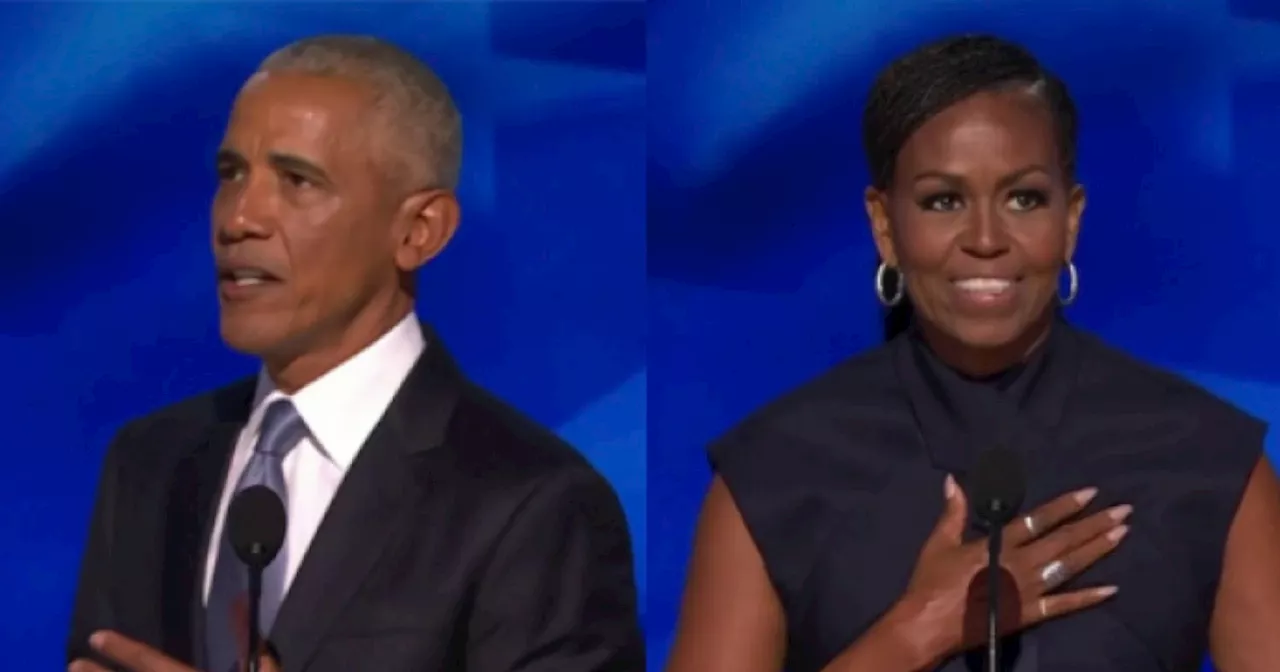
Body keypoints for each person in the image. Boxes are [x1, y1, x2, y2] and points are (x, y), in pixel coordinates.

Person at [665, 34, 1280, 672]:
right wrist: (911, 635)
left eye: (1024, 199)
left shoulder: (1207, 458)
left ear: (1070, 221)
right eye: (943, 201)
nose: (986, 239)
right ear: (885, 226)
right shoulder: (775, 472)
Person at [66, 35, 643, 672]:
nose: (239, 218)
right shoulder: (150, 462)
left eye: (296, 180)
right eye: (232, 174)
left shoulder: (534, 506)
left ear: (417, 232)